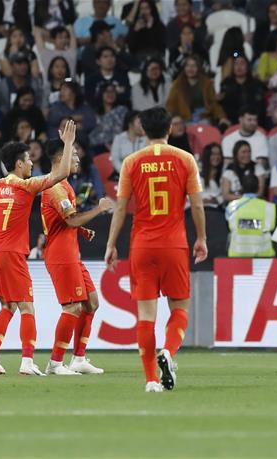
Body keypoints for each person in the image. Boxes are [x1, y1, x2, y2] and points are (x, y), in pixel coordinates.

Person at [104, 107, 208, 392]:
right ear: (170, 129)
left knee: (146, 315)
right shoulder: (185, 159)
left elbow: (122, 208)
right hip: (174, 244)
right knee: (180, 308)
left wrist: (111, 244)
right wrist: (201, 238)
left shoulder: (131, 162)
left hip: (142, 245)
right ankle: (169, 352)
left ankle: (151, 380)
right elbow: (197, 204)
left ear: (142, 130)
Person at [0, 123, 77, 376]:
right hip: (11, 254)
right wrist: (68, 145)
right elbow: (61, 174)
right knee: (27, 308)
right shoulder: (26, 186)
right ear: (19, 164)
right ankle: (28, 362)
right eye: (29, 159)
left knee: (7, 306)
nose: (31, 163)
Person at [40, 140, 114, 375]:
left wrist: (81, 230)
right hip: (61, 256)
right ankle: (55, 363)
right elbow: (71, 219)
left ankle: (79, 358)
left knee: (91, 303)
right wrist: (99, 209)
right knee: (72, 307)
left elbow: (63, 222)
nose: (78, 159)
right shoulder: (55, 188)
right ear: (59, 159)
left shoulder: (66, 186)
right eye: (73, 155)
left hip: (71, 253)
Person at [166, 55, 229, 126]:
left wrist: (222, 117)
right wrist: (175, 117)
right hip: (184, 119)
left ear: (198, 68)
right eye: (188, 66)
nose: (190, 69)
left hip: (204, 117)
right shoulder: (177, 84)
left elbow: (213, 103)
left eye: (194, 66)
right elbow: (170, 105)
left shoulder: (207, 83)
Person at [226, 171, 276, 257]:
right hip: (263, 254)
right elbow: (270, 227)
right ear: (258, 187)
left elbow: (231, 226)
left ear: (241, 187)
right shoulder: (269, 207)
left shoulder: (232, 206)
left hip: (237, 255)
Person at [218, 55, 267, 126]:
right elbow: (223, 105)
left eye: (242, 64)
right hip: (231, 121)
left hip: (253, 120)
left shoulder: (256, 84)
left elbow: (260, 106)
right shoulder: (226, 84)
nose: (239, 67)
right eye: (236, 64)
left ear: (247, 67)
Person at [89, 83, 129, 153]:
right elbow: (91, 137)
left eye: (113, 91)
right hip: (99, 148)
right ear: (101, 94)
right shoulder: (95, 114)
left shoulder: (122, 110)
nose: (110, 94)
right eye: (107, 91)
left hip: (120, 146)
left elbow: (120, 131)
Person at [0, 52, 34, 116]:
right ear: (11, 66)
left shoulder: (35, 83)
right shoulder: (2, 85)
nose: (23, 67)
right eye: (19, 64)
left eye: (25, 63)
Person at [200, 143, 224, 209]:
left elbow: (225, 195)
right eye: (213, 154)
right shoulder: (198, 175)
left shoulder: (224, 174)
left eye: (218, 154)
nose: (216, 157)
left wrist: (216, 200)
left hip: (218, 211)